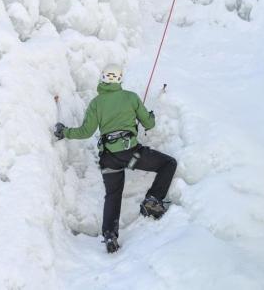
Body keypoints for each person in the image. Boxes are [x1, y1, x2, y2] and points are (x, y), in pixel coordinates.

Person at [54, 64, 177, 253]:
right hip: (132, 155)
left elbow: (85, 132)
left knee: (113, 195)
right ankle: (152, 201)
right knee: (169, 164)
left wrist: (65, 132)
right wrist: (149, 116)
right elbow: (149, 124)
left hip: (109, 160)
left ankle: (110, 235)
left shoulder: (96, 103)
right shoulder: (131, 97)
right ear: (119, 79)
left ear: (103, 79)